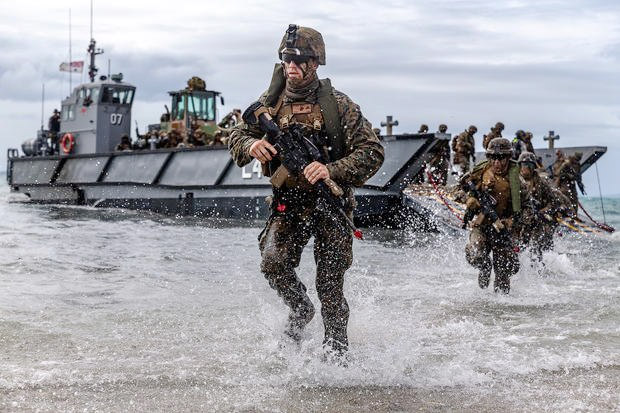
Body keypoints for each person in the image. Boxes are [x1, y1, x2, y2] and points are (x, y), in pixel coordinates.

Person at [228, 24, 384, 359]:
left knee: (329, 288)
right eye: (286, 59)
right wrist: (252, 144)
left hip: (331, 205)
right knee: (273, 264)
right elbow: (236, 136)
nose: (291, 65)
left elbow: (372, 152)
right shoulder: (269, 105)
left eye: (299, 59)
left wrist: (331, 169)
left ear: (315, 63)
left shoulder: (339, 106)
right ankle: (300, 310)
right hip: (289, 205)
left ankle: (337, 359)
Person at [461, 137, 531, 294]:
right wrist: (469, 199)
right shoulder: (479, 172)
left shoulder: (517, 182)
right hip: (482, 225)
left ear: (508, 157)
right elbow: (458, 190)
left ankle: (501, 312)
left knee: (505, 272)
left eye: (501, 158)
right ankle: (485, 267)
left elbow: (528, 208)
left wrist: (513, 221)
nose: (496, 163)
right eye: (492, 158)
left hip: (504, 230)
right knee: (475, 253)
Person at [517, 152, 568, 262]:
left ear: (533, 167)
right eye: (523, 165)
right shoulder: (514, 181)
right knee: (518, 249)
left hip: (536, 220)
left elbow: (554, 202)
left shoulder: (541, 182)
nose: (525, 168)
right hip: (519, 220)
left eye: (529, 165)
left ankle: (538, 274)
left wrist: (542, 211)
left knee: (536, 250)